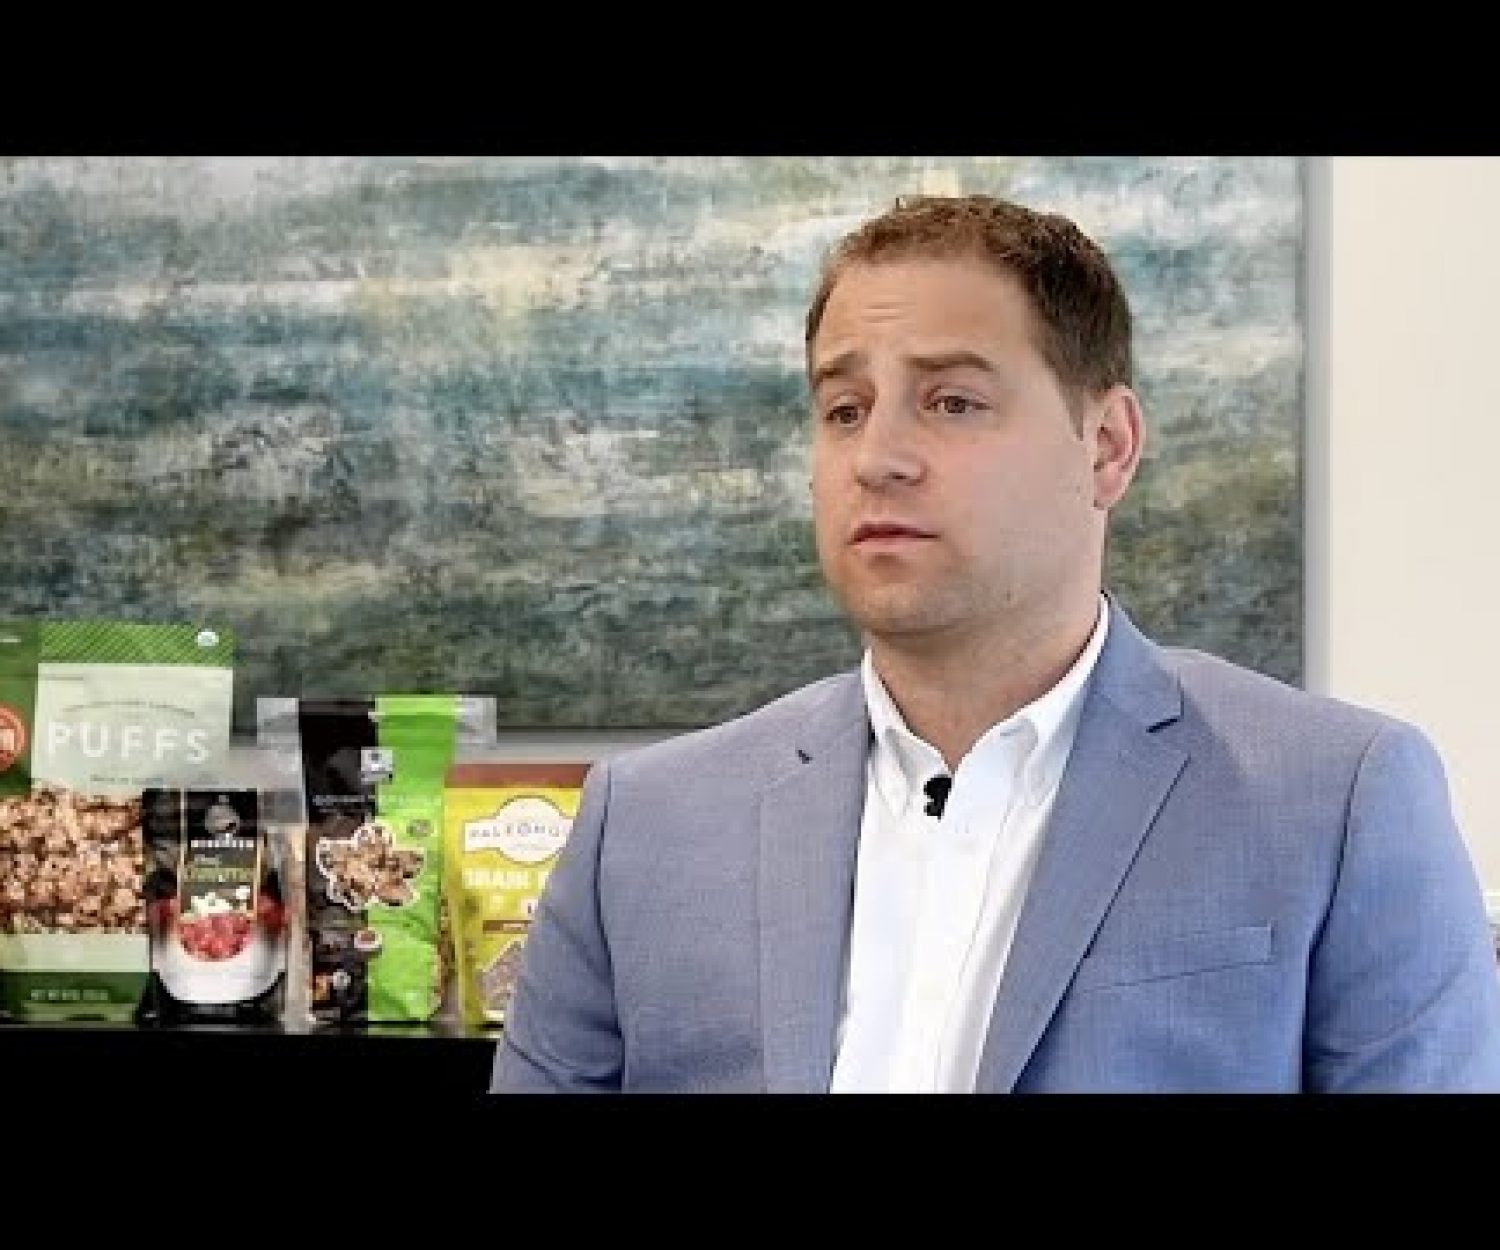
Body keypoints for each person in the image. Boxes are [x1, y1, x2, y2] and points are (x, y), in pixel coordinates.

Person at [491, 192, 1500, 1093]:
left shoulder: (1340, 801)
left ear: (1107, 447)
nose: (877, 457)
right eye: (844, 408)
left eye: (953, 402)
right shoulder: (643, 827)